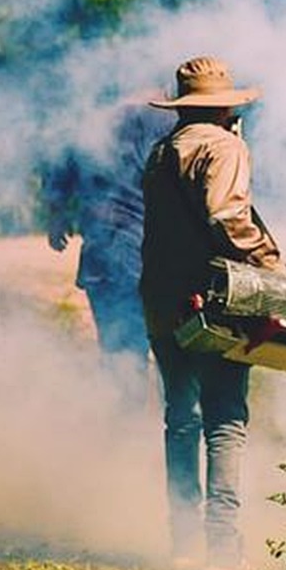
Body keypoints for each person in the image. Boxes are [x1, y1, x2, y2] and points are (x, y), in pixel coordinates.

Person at [140, 56, 286, 570]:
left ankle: (183, 545)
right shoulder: (225, 147)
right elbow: (227, 217)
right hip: (212, 301)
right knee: (225, 419)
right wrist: (273, 269)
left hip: (161, 301)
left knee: (181, 419)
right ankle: (223, 552)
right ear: (224, 107)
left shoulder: (161, 152)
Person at [44, 99, 170, 409]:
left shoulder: (88, 121)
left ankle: (124, 428)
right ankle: (174, 427)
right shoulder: (168, 122)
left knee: (120, 357)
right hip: (158, 259)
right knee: (173, 358)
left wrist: (57, 215)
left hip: (104, 257)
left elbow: (56, 170)